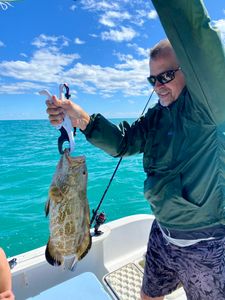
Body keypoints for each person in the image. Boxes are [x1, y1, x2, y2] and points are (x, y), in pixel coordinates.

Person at [46, 0, 225, 299]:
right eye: (152, 80)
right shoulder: (156, 117)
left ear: (190, 73)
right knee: (148, 296)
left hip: (206, 245)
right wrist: (80, 118)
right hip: (162, 234)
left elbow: (195, 33)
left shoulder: (209, 108)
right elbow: (123, 143)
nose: (158, 86)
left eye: (166, 76)